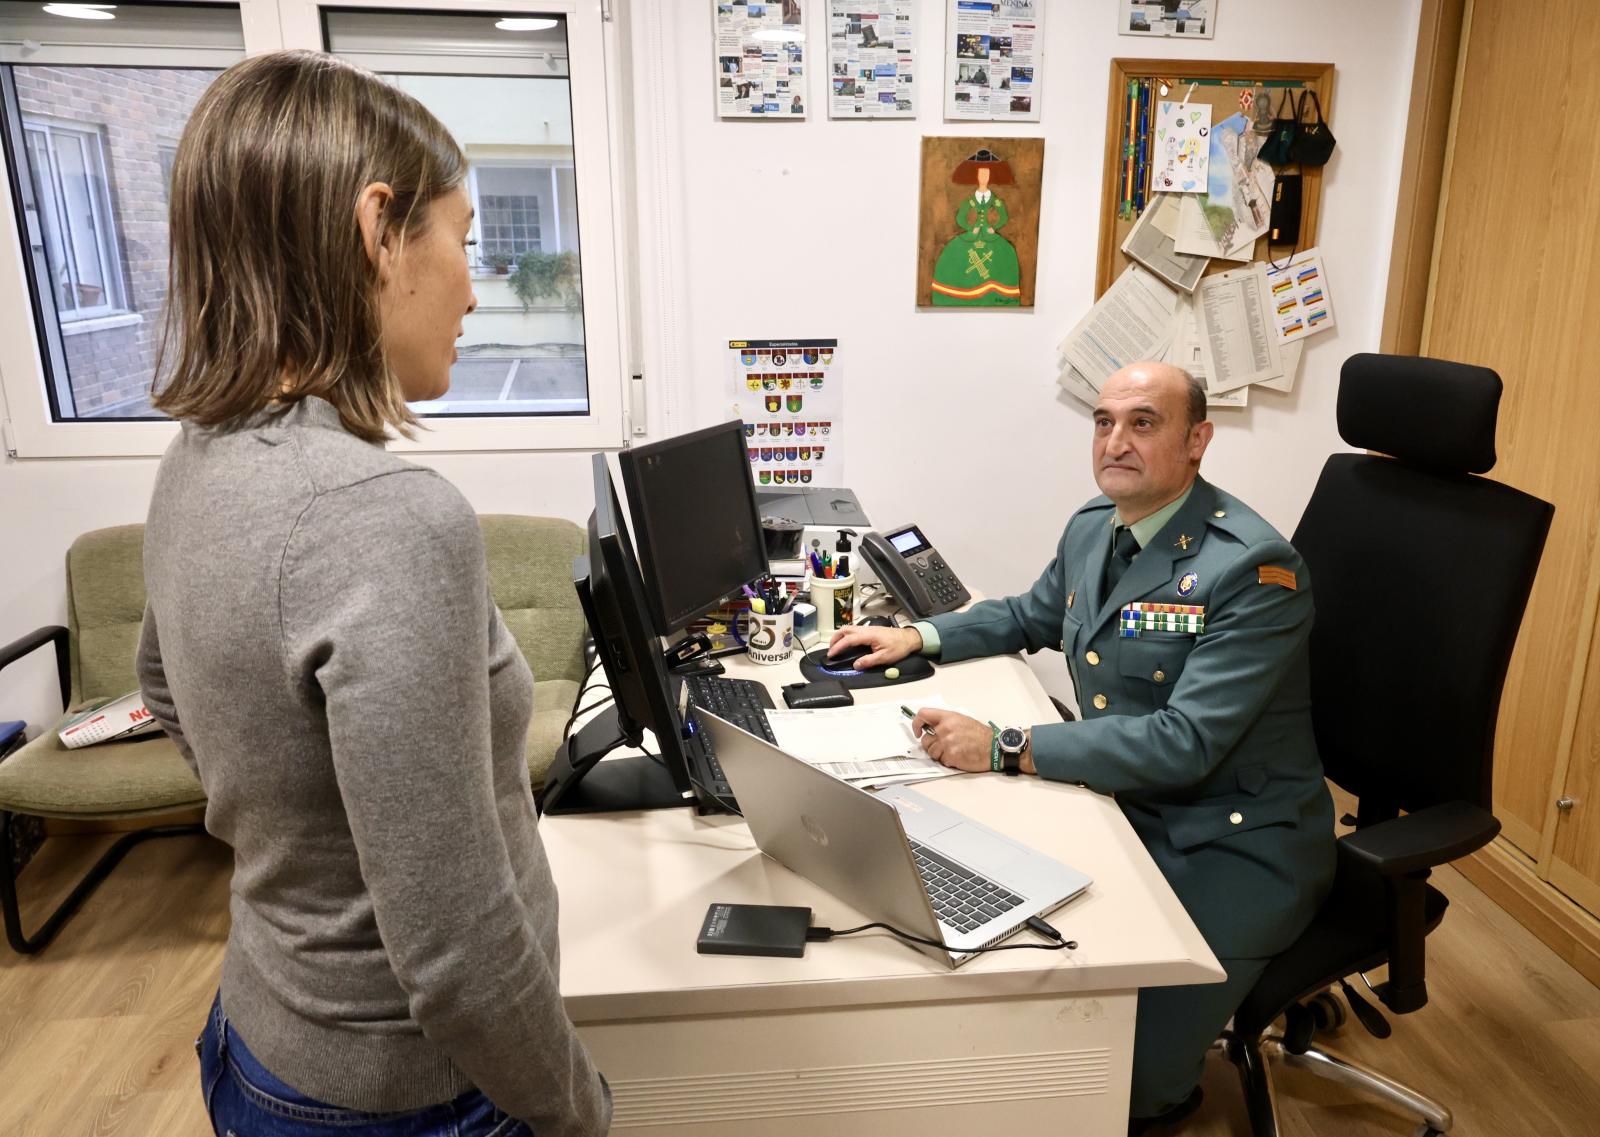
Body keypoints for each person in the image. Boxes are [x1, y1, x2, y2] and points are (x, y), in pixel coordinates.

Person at [138, 51, 610, 1137]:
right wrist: (578, 1112)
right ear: (377, 229)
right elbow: (454, 951)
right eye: (463, 239)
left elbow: (164, 681)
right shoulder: (384, 517)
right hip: (405, 1098)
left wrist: (295, 846)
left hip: (260, 1033)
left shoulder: (198, 454)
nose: (474, 286)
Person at [828, 361, 1334, 1133]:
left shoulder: (1250, 570)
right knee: (999, 975)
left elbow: (1186, 741)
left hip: (1233, 842)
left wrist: (1006, 746)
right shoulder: (1095, 526)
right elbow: (1031, 614)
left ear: (1198, 439)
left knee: (1104, 1083)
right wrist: (918, 633)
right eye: (1103, 422)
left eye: (1143, 422)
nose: (1116, 441)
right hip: (1125, 805)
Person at [928, 148, 1022, 306]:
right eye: (981, 174)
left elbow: (1004, 217)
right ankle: (954, 295)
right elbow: (960, 218)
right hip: (973, 234)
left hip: (990, 235)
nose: (984, 177)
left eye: (986, 174)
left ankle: (998, 297)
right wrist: (971, 228)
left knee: (1006, 253)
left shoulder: (995, 200)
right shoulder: (970, 200)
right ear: (977, 176)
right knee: (954, 252)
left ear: (989, 176)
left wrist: (995, 227)